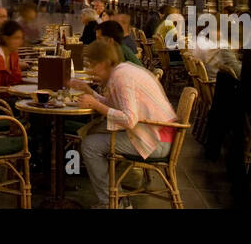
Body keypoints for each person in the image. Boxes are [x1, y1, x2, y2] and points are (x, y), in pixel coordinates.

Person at [75, 38, 178, 208]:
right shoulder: (122, 71)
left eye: (92, 65)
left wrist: (95, 104)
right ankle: (117, 197)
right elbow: (116, 105)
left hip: (156, 140)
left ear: (106, 63)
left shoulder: (121, 78)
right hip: (154, 132)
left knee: (90, 145)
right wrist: (91, 94)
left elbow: (129, 119)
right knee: (93, 133)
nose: (89, 70)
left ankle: (112, 203)